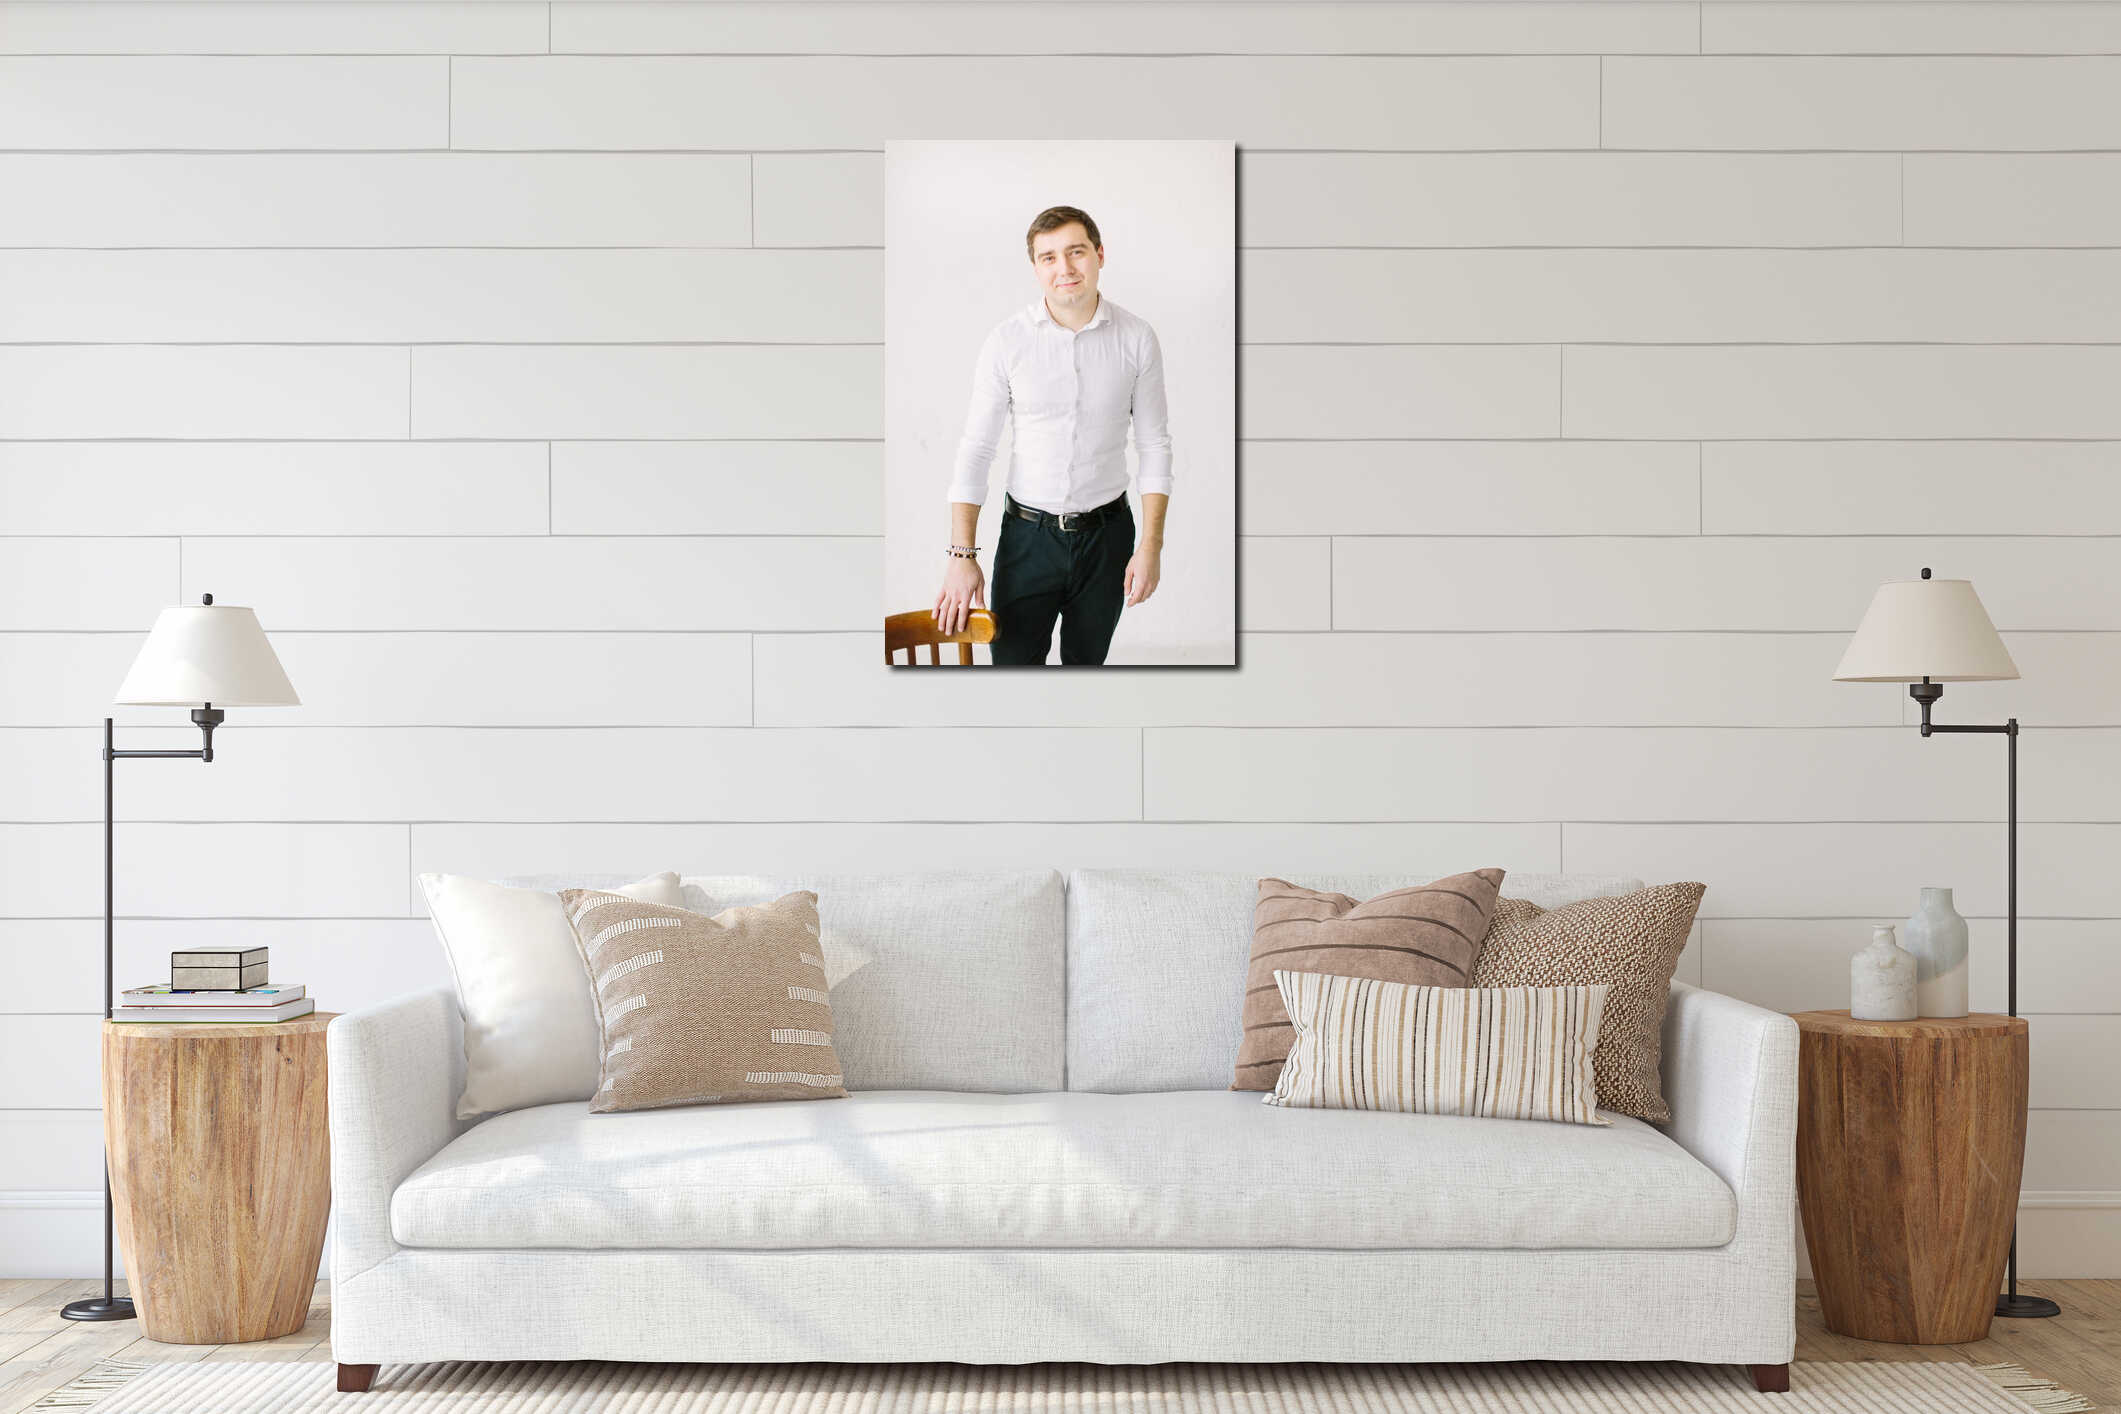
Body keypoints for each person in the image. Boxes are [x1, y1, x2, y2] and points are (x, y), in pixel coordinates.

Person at [932, 205, 1172, 666]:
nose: (1064, 268)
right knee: (1014, 675)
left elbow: (1154, 447)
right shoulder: (1007, 342)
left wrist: (1150, 547)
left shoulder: (1138, 338)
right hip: (1027, 540)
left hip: (1107, 540)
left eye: (1076, 252)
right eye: (1048, 257)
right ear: (1036, 268)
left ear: (1099, 255)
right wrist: (961, 554)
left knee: (1086, 672)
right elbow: (977, 450)